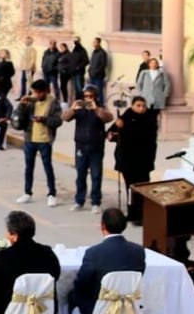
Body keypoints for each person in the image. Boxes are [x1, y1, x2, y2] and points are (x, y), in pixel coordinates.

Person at [0, 211, 61, 314]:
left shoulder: (3, 257)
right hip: (43, 313)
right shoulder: (47, 253)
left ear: (14, 235)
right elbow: (56, 275)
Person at [69, 208, 145, 314]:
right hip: (128, 308)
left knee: (72, 295)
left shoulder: (94, 253)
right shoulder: (138, 251)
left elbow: (81, 283)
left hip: (99, 311)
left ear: (102, 226)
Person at [62, 84, 114, 213]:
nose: (88, 99)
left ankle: (95, 202)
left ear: (95, 96)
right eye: (86, 96)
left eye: (91, 96)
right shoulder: (79, 108)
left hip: (96, 146)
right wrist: (73, 109)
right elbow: (65, 118)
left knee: (96, 175)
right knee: (80, 175)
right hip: (81, 146)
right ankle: (79, 201)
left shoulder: (100, 107)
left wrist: (96, 109)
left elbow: (108, 118)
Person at [107, 96, 158, 225]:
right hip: (127, 161)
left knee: (142, 188)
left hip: (143, 161)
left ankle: (142, 214)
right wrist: (115, 130)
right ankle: (132, 213)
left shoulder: (149, 119)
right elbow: (111, 134)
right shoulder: (125, 117)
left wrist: (125, 128)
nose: (141, 109)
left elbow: (144, 134)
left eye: (143, 106)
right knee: (130, 188)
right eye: (138, 106)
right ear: (132, 106)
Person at [12, 80, 63, 207]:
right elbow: (19, 117)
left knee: (48, 167)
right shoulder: (30, 101)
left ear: (45, 91)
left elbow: (58, 121)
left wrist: (43, 119)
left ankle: (51, 193)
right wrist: (22, 105)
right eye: (35, 92)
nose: (36, 95)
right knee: (28, 167)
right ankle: (27, 192)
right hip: (30, 139)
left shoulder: (53, 103)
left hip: (45, 140)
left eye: (39, 92)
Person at [135, 57, 170, 123]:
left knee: (154, 115)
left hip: (158, 97)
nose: (153, 64)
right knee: (145, 113)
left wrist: (165, 94)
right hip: (146, 96)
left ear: (157, 64)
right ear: (149, 64)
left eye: (155, 63)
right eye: (152, 63)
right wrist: (141, 94)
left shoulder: (162, 74)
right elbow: (139, 84)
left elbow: (167, 84)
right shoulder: (144, 73)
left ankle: (153, 129)